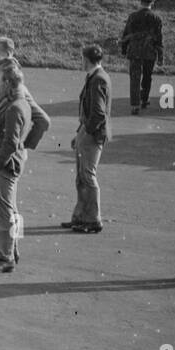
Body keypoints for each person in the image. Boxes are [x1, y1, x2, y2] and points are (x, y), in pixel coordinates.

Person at [0, 60, 32, 273]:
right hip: (12, 161)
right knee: (10, 210)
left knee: (3, 212)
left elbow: (11, 141)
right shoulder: (20, 102)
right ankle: (12, 249)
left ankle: (5, 256)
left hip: (5, 164)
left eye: (1, 81)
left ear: (9, 83)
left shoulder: (14, 108)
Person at [64, 44, 111, 233]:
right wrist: (80, 131)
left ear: (87, 59)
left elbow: (98, 114)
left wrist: (85, 132)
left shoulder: (98, 79)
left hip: (93, 134)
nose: (81, 61)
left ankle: (93, 219)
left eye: (82, 58)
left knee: (87, 176)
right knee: (82, 177)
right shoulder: (95, 76)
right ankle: (81, 216)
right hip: (87, 131)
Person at [119, 0, 163, 114]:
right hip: (150, 51)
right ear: (152, 3)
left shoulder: (133, 16)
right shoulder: (156, 18)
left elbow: (126, 34)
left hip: (135, 51)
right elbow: (159, 38)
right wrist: (160, 56)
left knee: (135, 78)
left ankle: (135, 105)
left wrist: (124, 49)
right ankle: (144, 99)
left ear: (141, 2)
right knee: (147, 77)